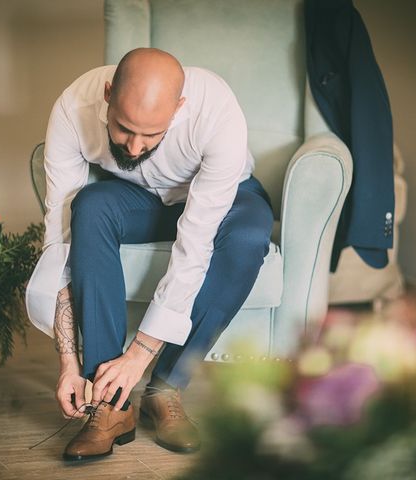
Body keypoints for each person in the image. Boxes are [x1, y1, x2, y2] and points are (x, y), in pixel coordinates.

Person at [25, 47, 274, 462]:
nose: (136, 147)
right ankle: (108, 401)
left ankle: (165, 387)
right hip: (138, 199)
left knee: (248, 235)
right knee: (89, 206)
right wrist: (68, 361)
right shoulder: (72, 108)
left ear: (178, 109)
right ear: (108, 94)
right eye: (123, 129)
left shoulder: (217, 114)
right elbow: (60, 242)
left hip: (221, 199)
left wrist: (138, 355)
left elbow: (194, 244)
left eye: (151, 134)